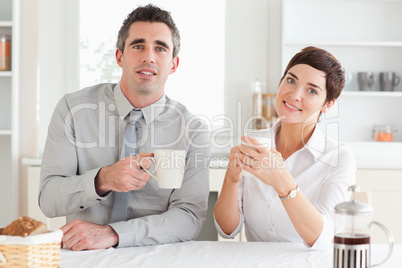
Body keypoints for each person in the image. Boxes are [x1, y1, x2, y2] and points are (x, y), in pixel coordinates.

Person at [39, 4, 210, 250]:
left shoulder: (194, 131)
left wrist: (113, 234)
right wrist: (102, 179)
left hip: (158, 256)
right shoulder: (72, 110)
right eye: (138, 45)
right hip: (85, 256)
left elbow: (189, 218)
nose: (148, 57)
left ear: (174, 64)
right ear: (120, 56)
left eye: (160, 48)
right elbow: (48, 199)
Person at [214, 47, 356, 250]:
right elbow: (227, 230)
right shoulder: (255, 142)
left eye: (312, 90)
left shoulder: (339, 157)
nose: (294, 95)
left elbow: (323, 238)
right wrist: (231, 178)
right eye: (291, 80)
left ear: (328, 104)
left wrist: (281, 180)